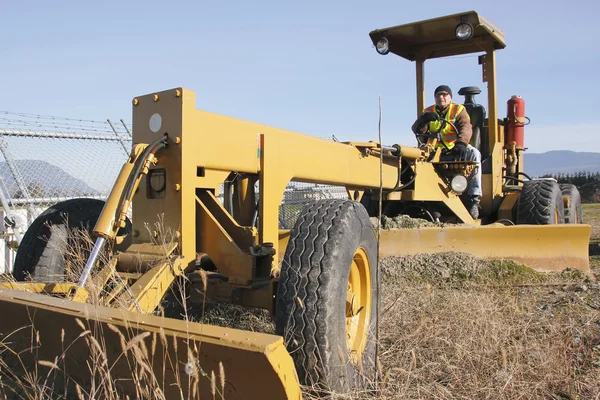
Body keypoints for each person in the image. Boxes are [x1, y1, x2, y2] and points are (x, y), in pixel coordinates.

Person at [411, 85, 482, 219]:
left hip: (456, 150)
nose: (441, 98)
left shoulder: (458, 110)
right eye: (438, 95)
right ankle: (427, 203)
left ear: (450, 97)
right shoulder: (428, 111)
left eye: (444, 95)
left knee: (474, 153)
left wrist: (461, 143)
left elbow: (466, 127)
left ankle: (474, 199)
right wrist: (423, 120)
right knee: (413, 161)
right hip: (434, 152)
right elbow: (416, 129)